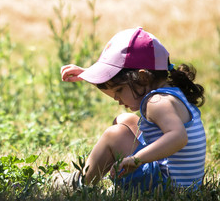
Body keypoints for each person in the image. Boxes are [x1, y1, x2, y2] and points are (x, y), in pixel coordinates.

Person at [54, 27, 206, 192]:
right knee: (125, 119)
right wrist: (88, 75)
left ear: (142, 77)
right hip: (181, 183)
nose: (117, 99)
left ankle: (79, 183)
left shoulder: (156, 102)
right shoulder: (169, 92)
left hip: (167, 187)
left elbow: (178, 137)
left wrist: (137, 159)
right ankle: (96, 170)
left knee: (115, 135)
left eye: (119, 90)